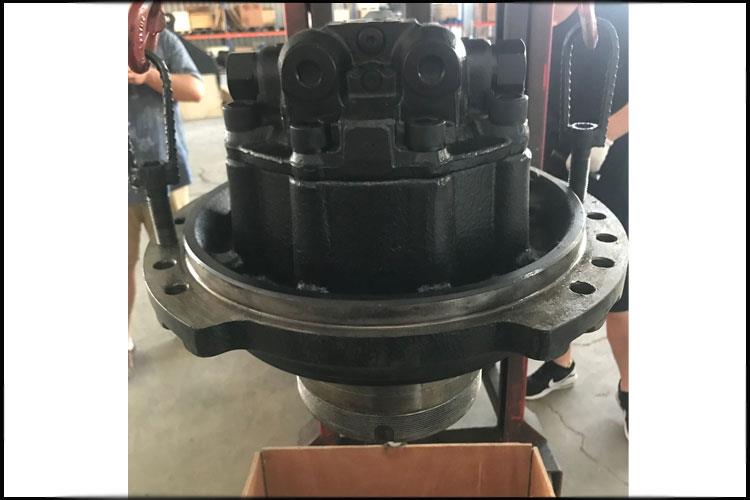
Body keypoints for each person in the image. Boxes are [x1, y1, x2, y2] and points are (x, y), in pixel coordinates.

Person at [525, 3, 630, 439]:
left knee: (617, 281)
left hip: (611, 162)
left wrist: (605, 136)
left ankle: (632, 388)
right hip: (550, 161)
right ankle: (561, 363)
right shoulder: (532, 19)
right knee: (555, 270)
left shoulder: (616, 16)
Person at [128, 29, 204, 370]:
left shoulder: (161, 41)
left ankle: (185, 322)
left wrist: (147, 76)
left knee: (179, 259)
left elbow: (195, 90)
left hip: (166, 177)